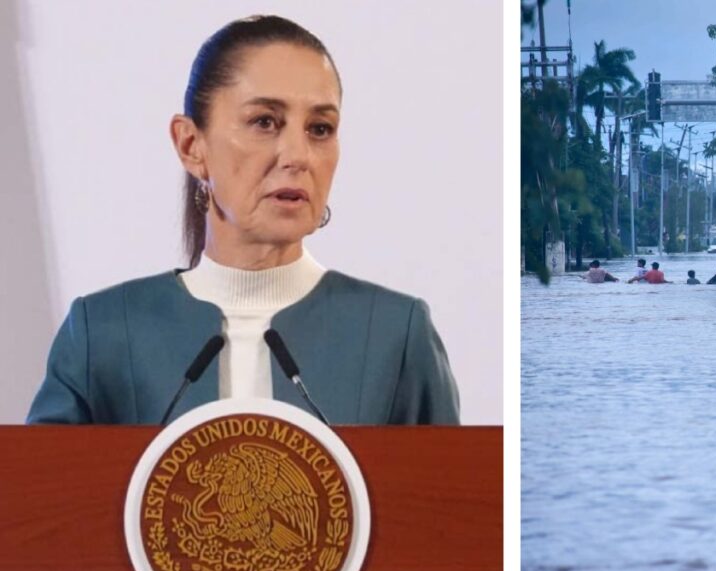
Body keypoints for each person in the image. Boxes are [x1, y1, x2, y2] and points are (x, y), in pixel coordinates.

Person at [27, 16, 459, 425]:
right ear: (191, 145)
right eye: (265, 122)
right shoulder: (101, 334)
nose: (298, 155)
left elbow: (448, 497)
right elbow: (41, 498)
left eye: (320, 128)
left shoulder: (396, 335)